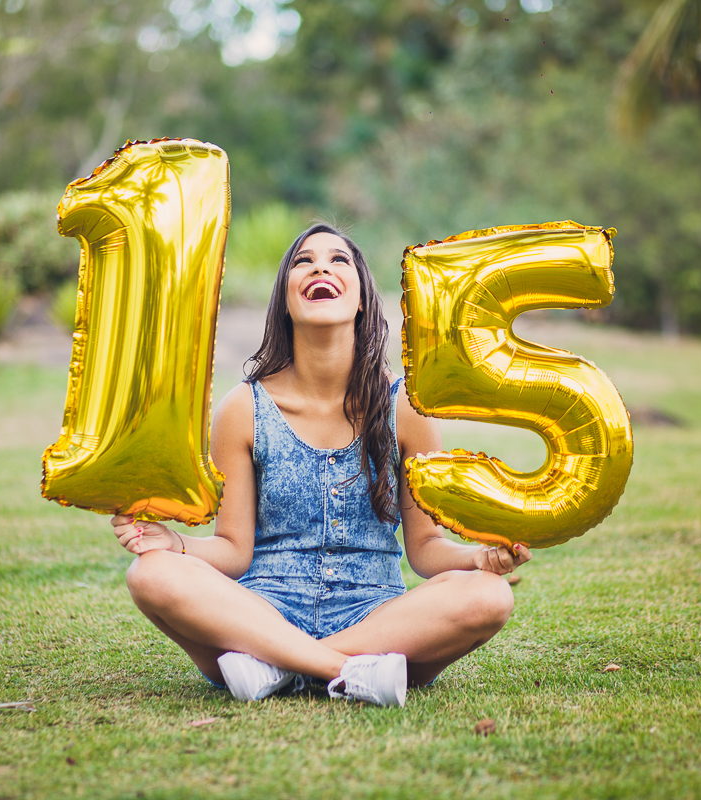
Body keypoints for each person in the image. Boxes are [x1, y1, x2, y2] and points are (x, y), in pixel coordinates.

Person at [112, 223, 531, 707]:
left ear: (361, 299)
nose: (320, 268)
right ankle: (345, 672)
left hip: (376, 618)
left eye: (338, 260)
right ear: (285, 301)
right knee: (151, 573)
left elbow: (425, 549)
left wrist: (478, 559)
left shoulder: (406, 407)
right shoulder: (243, 408)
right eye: (303, 261)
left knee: (490, 596)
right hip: (262, 612)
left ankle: (276, 666)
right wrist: (175, 544)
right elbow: (233, 551)